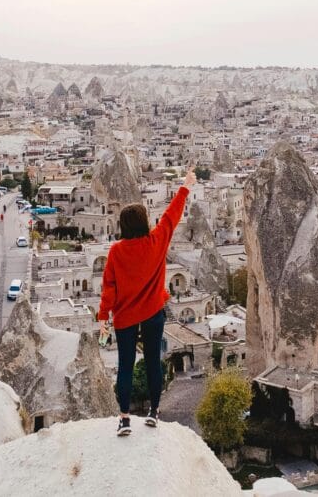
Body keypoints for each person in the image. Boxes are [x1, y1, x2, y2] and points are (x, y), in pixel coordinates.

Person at [99, 167, 195, 436]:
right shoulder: (156, 241)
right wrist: (185, 185)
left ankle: (125, 418)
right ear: (144, 222)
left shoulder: (117, 251)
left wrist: (103, 318)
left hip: (126, 317)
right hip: (153, 312)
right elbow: (172, 215)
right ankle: (153, 412)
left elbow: (109, 287)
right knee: (153, 361)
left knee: (125, 365)